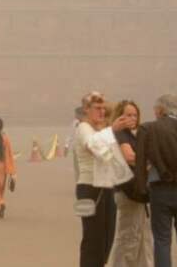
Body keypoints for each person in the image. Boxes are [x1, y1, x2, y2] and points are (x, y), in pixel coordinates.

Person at [75, 91, 131, 267]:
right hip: (89, 188)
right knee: (93, 238)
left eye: (103, 109)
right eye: (97, 108)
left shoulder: (100, 129)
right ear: (86, 110)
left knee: (107, 238)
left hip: (106, 187)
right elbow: (96, 147)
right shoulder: (83, 128)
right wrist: (112, 129)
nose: (101, 112)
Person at [108, 100, 152, 266]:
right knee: (127, 237)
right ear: (120, 116)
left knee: (142, 236)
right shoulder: (121, 134)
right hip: (128, 192)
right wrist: (150, 163)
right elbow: (130, 157)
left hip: (139, 193)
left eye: (135, 115)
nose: (132, 118)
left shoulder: (135, 134)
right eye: (128, 115)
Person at [135, 93, 177, 267]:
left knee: (161, 239)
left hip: (160, 190)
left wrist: (141, 192)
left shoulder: (148, 128)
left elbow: (140, 162)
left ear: (160, 109)